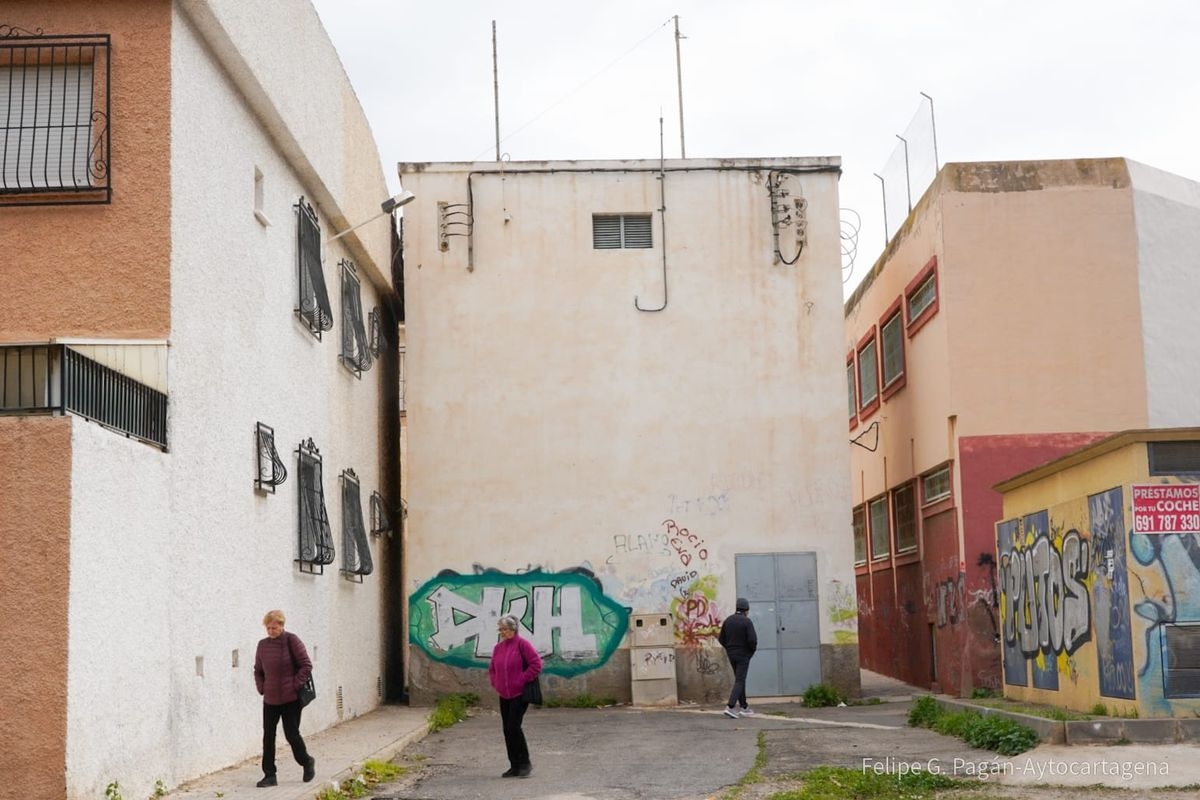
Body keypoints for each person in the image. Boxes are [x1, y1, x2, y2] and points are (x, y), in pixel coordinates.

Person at [253, 609, 317, 787]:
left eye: (274, 628)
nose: (271, 631)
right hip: (270, 699)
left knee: (291, 734)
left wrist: (294, 685)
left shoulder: (292, 640)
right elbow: (258, 670)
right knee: (268, 736)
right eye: (268, 628)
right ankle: (269, 775)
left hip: (291, 699)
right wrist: (262, 687)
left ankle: (306, 761)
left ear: (282, 625)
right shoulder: (262, 645)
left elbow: (306, 665)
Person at [488, 614, 543, 778]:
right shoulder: (498, 648)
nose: (502, 632)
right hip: (504, 694)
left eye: (505, 629)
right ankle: (514, 765)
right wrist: (495, 682)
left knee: (513, 726)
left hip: (519, 693)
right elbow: (492, 669)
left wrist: (522, 680)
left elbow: (536, 664)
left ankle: (525, 763)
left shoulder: (522, 644)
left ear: (514, 629)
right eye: (501, 629)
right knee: (507, 729)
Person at [719, 597, 758, 718]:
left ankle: (744, 707)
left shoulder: (728, 620)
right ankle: (730, 707)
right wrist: (750, 652)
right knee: (740, 680)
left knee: (739, 680)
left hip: (731, 654)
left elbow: (721, 639)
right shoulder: (747, 621)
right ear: (746, 610)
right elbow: (753, 640)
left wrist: (729, 648)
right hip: (743, 655)